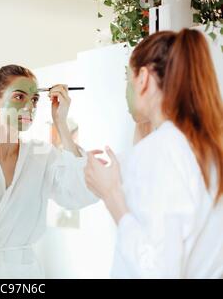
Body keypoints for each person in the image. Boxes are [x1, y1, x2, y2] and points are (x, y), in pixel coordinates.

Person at [84, 29, 223, 278]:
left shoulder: (161, 150)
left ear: (143, 78)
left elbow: (157, 270)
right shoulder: (211, 146)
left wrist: (112, 195)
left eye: (129, 78)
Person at [0, 64, 99, 278]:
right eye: (20, 97)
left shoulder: (41, 156)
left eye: (35, 99)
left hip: (23, 275)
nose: (29, 106)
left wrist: (61, 123)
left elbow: (79, 194)